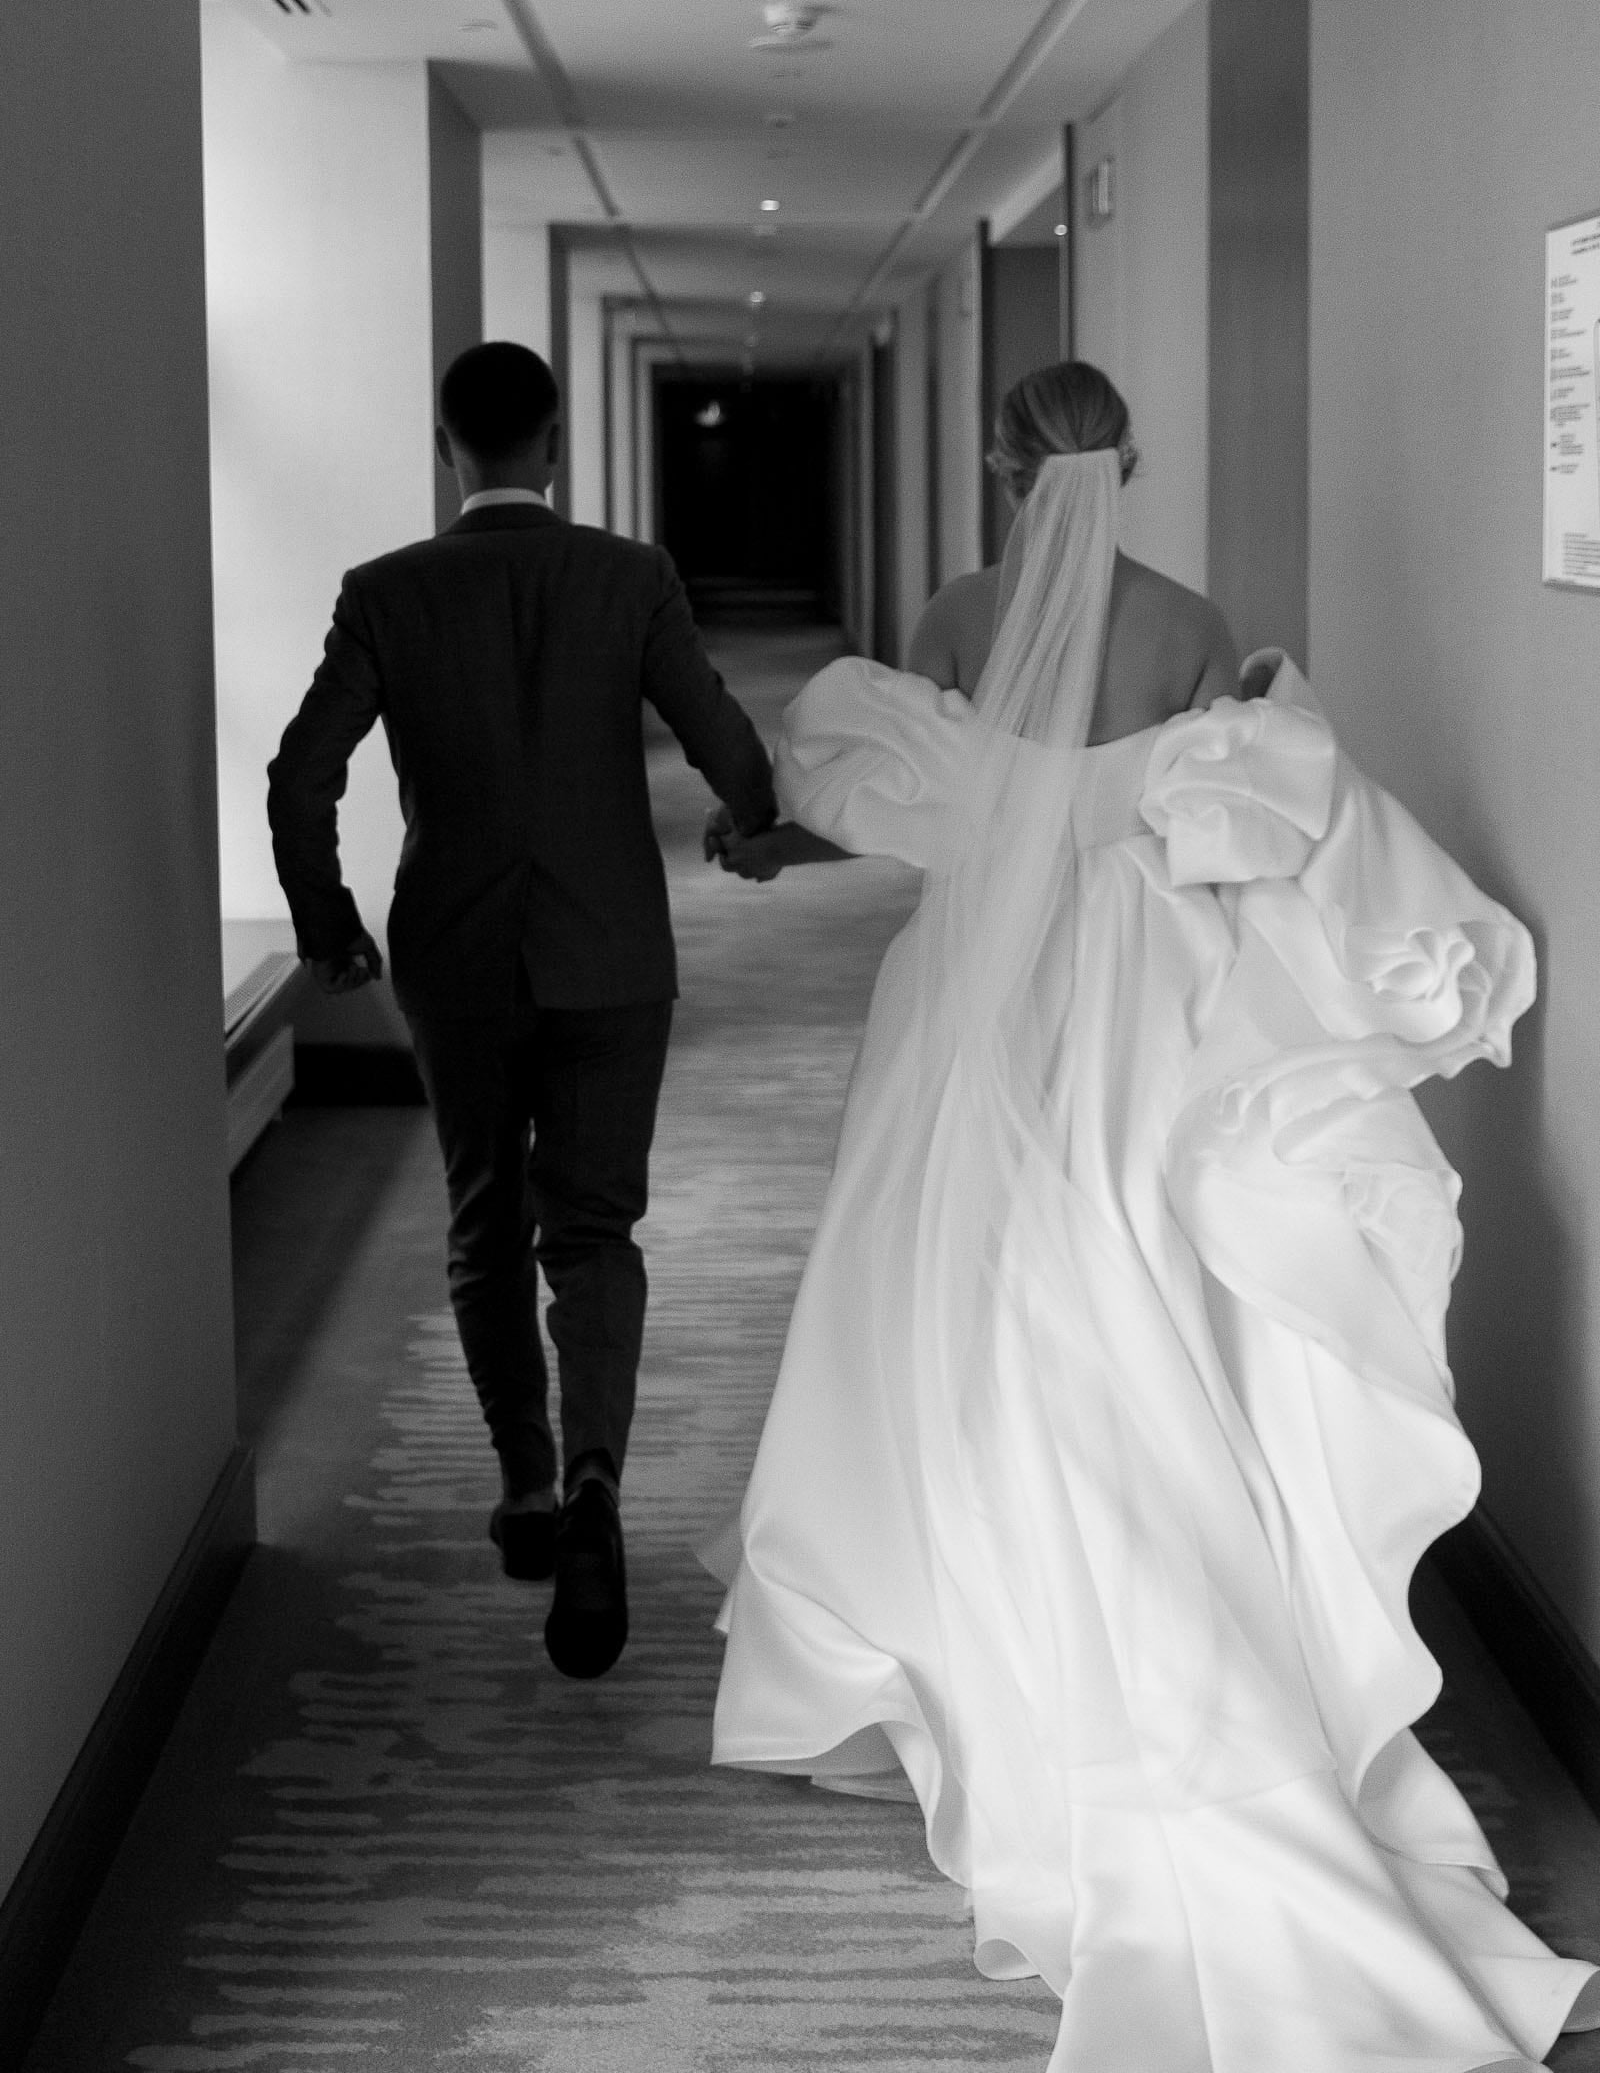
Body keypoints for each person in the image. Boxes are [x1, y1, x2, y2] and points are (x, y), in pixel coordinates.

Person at [700, 359, 1600, 2070]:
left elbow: (949, 819)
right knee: (1144, 1277)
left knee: (973, 1287)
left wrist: (783, 848)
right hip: (1147, 993)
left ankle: (991, 1612)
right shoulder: (1196, 626)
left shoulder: (957, 617)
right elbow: (1245, 834)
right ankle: (1188, 1606)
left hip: (981, 989)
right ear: (1137, 462)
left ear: (996, 456)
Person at [268, 340, 777, 1682]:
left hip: (459, 955)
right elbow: (723, 733)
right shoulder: (630, 576)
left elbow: (299, 772)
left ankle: (529, 1483)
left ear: (448, 450)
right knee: (596, 1223)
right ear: (554, 444)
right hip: (613, 949)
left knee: (487, 1213)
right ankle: (604, 1475)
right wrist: (748, 817)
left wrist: (325, 924)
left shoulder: (386, 593)